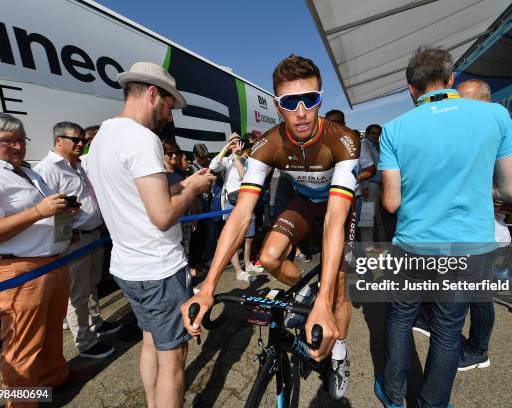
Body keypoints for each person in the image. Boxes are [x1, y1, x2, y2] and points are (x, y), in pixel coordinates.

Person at [183, 54, 360, 400]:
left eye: (310, 100)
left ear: (320, 99)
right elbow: (240, 213)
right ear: (278, 106)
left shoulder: (343, 140)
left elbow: (335, 220)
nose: (301, 111)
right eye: (290, 103)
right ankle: (307, 294)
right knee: (270, 256)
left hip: (339, 207)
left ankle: (339, 351)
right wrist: (207, 285)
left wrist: (326, 300)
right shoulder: (268, 144)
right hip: (307, 202)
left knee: (336, 281)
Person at [376, 47, 512, 408]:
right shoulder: (495, 115)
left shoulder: (394, 129)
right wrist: (477, 187)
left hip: (413, 246)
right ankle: (433, 403)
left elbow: (391, 203)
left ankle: (395, 396)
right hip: (469, 247)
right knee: (446, 329)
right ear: (451, 79)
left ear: (412, 89)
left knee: (400, 317)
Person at [86, 62, 215, 408]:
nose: (169, 118)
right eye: (169, 107)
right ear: (153, 94)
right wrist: (194, 190)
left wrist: (184, 184)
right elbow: (161, 216)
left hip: (127, 267)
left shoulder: (100, 138)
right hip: (159, 268)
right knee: (173, 359)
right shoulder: (143, 139)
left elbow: (134, 200)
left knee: (149, 342)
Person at [412, 79, 512, 373]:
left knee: (478, 296)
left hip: (485, 234)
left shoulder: (502, 131)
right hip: (460, 232)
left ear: (486, 104)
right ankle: (433, 320)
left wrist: (499, 193)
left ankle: (478, 350)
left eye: (465, 103)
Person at [0, 111, 74, 407]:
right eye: (8, 141)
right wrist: (38, 212)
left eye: (21, 140)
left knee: (49, 332)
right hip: (14, 269)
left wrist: (60, 210)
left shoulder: (26, 170)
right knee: (22, 346)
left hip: (50, 262)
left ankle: (51, 380)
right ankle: (19, 402)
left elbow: (36, 212)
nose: (18, 147)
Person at [35, 121, 121, 360]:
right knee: (77, 294)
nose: (81, 143)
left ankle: (95, 323)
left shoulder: (78, 165)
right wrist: (65, 234)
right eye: (75, 139)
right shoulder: (48, 169)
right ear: (58, 141)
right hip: (75, 241)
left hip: (93, 235)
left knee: (92, 284)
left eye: (82, 139)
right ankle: (84, 341)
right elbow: (43, 209)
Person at [209, 134, 263, 282]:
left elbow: (244, 176)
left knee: (249, 237)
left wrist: (238, 158)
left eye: (237, 141)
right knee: (233, 238)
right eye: (231, 142)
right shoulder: (226, 161)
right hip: (231, 204)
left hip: (247, 201)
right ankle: (239, 272)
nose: (234, 144)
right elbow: (213, 166)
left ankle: (248, 264)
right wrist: (227, 149)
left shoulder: (247, 160)